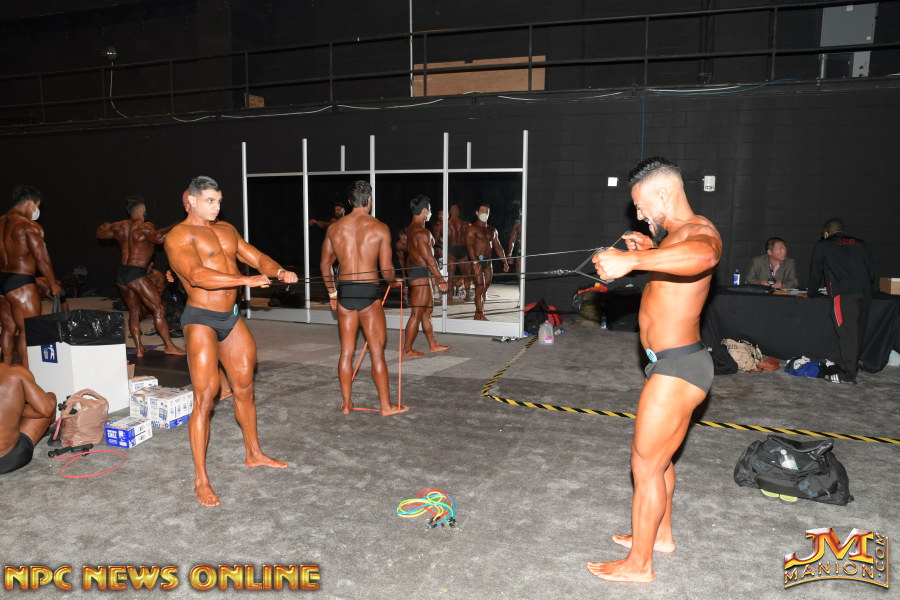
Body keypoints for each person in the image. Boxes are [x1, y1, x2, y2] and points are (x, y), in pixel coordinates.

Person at [589, 157, 722, 583]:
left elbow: (705, 254)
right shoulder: (674, 237)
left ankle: (639, 565)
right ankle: (660, 536)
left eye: (642, 206)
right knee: (660, 461)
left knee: (644, 464)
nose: (640, 215)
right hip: (669, 364)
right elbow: (675, 267)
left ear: (664, 194)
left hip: (679, 366)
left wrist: (632, 264)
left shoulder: (700, 230)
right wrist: (649, 252)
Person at [164, 176, 297, 507]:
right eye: (210, 201)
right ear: (192, 200)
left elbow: (257, 257)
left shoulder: (226, 230)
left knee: (245, 387)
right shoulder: (179, 235)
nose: (217, 207)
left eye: (219, 201)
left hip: (230, 317)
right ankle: (201, 480)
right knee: (205, 396)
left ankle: (254, 453)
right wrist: (244, 280)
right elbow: (196, 276)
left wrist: (279, 271)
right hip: (200, 319)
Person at [319, 180, 407, 416]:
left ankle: (347, 404)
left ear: (350, 202)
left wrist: (332, 293)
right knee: (376, 352)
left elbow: (325, 264)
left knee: (346, 352)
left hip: (345, 292)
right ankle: (386, 406)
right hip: (369, 293)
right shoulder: (379, 228)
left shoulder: (334, 228)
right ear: (369, 200)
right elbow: (386, 270)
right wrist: (395, 282)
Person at [96, 195, 185, 357]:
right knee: (158, 308)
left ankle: (139, 349)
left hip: (120, 273)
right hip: (135, 273)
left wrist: (107, 225)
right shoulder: (145, 226)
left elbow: (100, 234)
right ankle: (169, 346)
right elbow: (159, 238)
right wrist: (177, 224)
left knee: (134, 310)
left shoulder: (119, 226)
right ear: (142, 210)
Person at [806, 218, 875, 384]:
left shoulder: (824, 244)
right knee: (857, 333)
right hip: (865, 293)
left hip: (844, 295)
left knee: (847, 335)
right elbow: (871, 271)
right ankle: (851, 364)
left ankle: (848, 374)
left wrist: (812, 292)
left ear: (826, 233)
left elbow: (816, 271)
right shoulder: (861, 244)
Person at [0, 186, 61, 369]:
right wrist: (52, 283)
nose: (37, 210)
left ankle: (5, 374)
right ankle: (28, 378)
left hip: (2, 280)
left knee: (8, 329)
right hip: (21, 282)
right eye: (37, 205)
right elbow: (42, 258)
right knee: (28, 331)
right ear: (29, 203)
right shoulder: (29, 226)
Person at [402, 195, 450, 358]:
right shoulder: (422, 232)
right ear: (424, 211)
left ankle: (433, 344)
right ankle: (407, 350)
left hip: (421, 274)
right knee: (416, 314)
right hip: (420, 275)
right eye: (429, 210)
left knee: (427, 312)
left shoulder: (411, 228)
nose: (430, 213)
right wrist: (441, 279)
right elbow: (430, 259)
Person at [0, 363, 55, 474]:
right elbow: (46, 410)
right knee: (50, 398)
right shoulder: (15, 373)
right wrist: (15, 407)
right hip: (8, 459)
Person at [466, 204, 509, 320]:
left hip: (488, 262)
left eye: (487, 211)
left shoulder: (492, 230)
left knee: (484, 289)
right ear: (477, 213)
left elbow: (498, 246)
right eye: (482, 211)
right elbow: (469, 247)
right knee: (479, 288)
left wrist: (504, 261)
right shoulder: (472, 228)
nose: (484, 213)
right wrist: (475, 262)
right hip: (477, 261)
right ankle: (480, 314)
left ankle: (478, 314)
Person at [446, 204, 472, 302]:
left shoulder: (446, 224)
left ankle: (450, 298)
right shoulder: (465, 224)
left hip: (452, 249)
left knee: (451, 275)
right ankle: (467, 296)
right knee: (466, 274)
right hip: (462, 249)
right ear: (458, 212)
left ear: (450, 212)